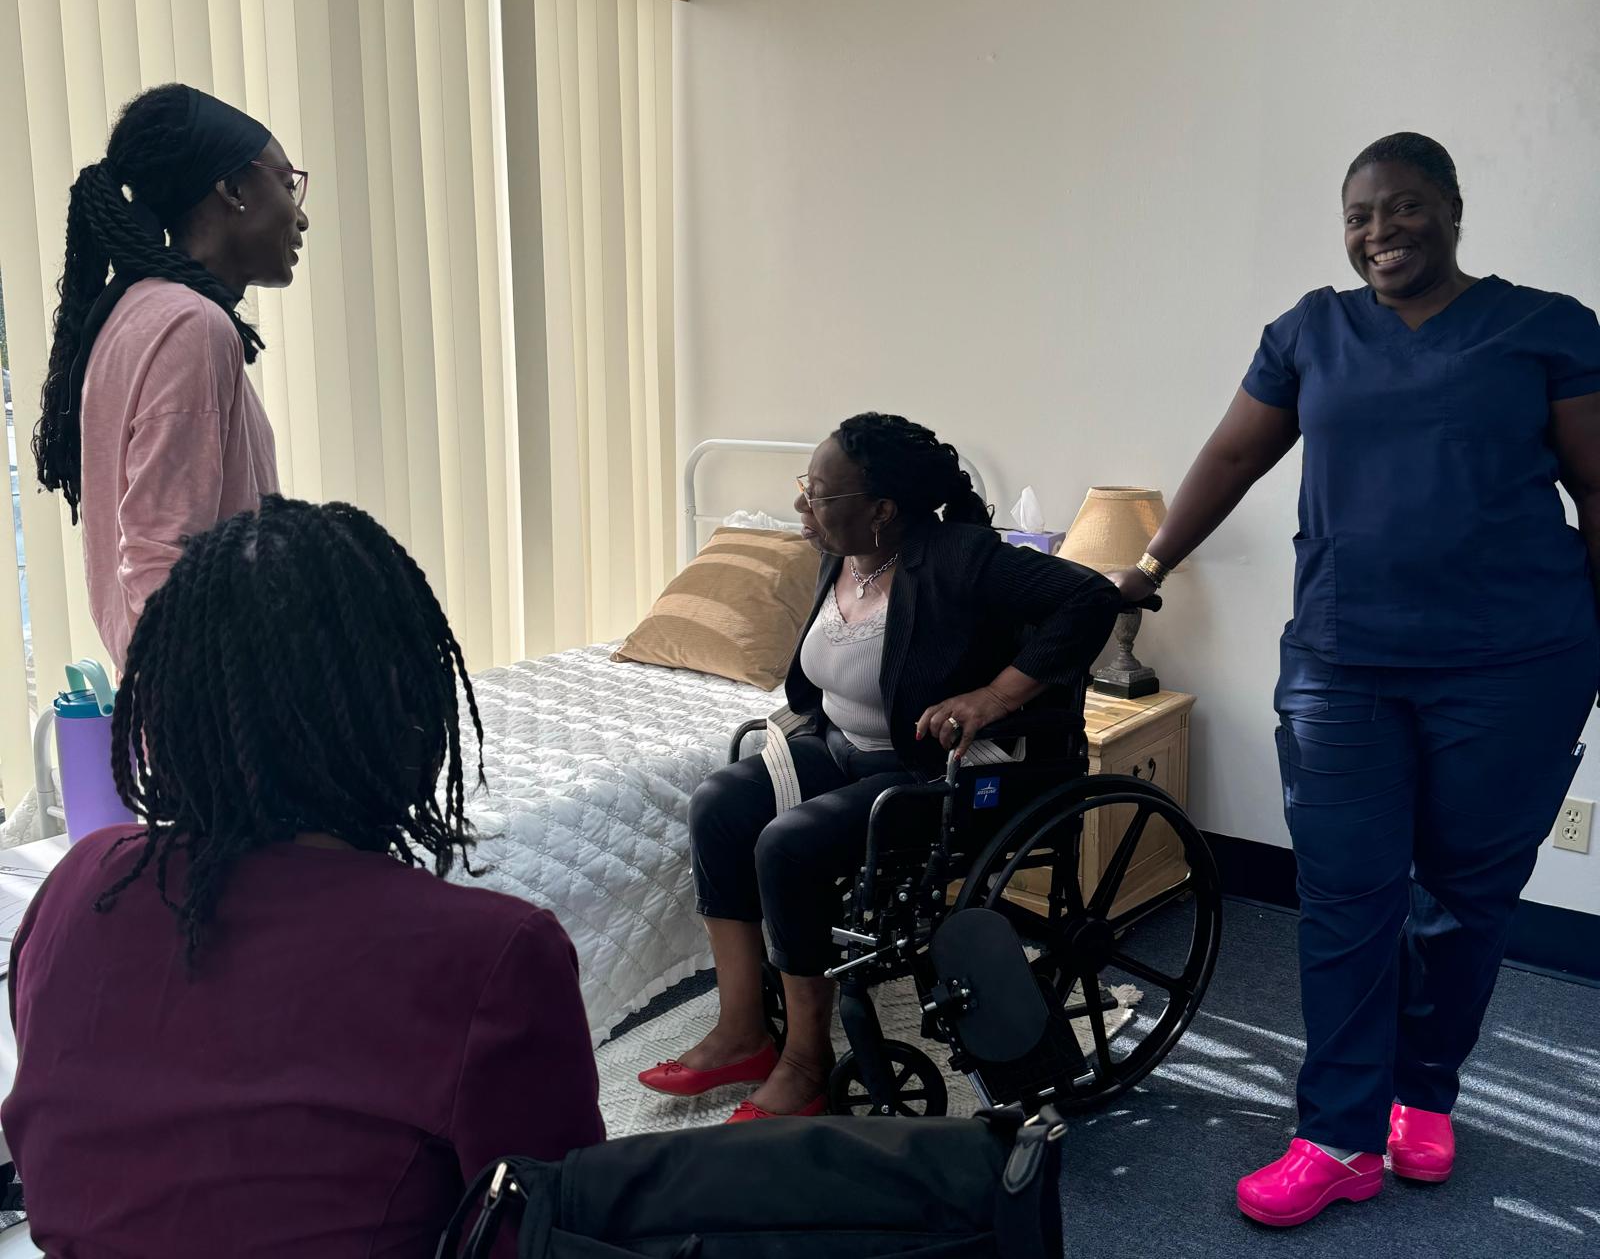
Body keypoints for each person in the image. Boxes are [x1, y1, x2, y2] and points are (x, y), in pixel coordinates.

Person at [1112, 133, 1600, 1227]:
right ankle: (1336, 1133)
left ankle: (1423, 1094)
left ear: (1453, 209)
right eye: (1361, 215)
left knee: (1464, 900)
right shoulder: (1311, 333)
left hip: (1515, 666)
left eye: (1406, 206)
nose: (1382, 231)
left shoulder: (1548, 328)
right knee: (1345, 901)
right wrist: (1147, 567)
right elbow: (1233, 456)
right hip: (1344, 665)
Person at [2, 497, 604, 1257]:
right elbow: (562, 1234)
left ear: (167, 706)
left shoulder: (76, 886)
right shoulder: (496, 958)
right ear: (408, 708)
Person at [638, 412, 1122, 1120]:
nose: (802, 503)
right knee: (718, 804)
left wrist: (994, 695)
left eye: (820, 494)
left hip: (935, 767)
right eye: (806, 486)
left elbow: (1092, 598)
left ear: (883, 510)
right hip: (840, 748)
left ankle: (804, 1064)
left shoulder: (959, 556)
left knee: (788, 845)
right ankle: (743, 1031)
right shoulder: (843, 551)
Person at [33, 82, 308, 670]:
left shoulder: (137, 310)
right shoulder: (192, 326)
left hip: (177, 704)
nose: (300, 215)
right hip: (208, 712)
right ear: (233, 190)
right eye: (288, 185)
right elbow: (162, 571)